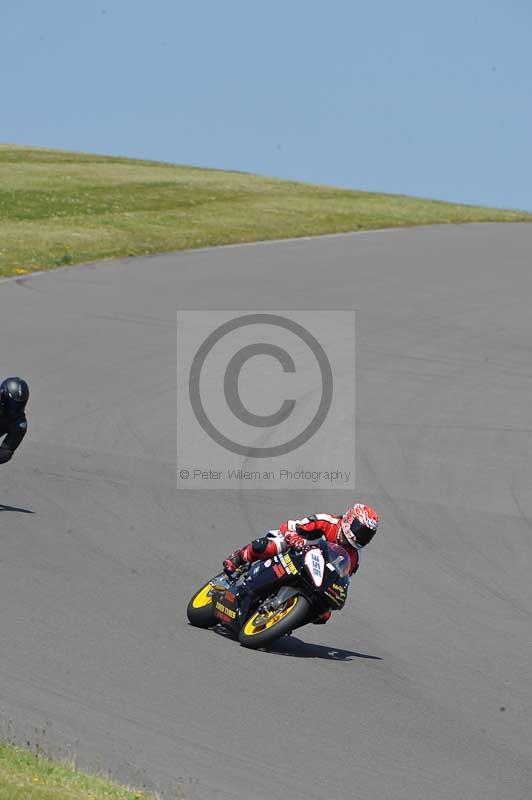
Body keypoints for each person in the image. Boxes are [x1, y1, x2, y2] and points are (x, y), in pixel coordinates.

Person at [222, 503, 379, 624]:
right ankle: (239, 558)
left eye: (367, 535)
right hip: (294, 550)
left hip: (315, 573)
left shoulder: (355, 557)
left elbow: (342, 578)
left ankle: (284, 619)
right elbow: (289, 526)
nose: (361, 536)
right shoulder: (327, 522)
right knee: (268, 546)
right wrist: (294, 538)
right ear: (350, 519)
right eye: (360, 529)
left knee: (324, 614)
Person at [0, 377, 29, 464]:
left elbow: (5, 452)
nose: (15, 408)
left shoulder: (19, 424)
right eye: (13, 403)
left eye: (19, 404)